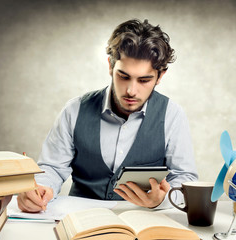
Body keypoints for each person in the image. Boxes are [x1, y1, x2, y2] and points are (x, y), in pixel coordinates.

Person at [17, 19, 198, 212]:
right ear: (110, 65)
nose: (131, 91)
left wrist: (162, 200)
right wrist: (40, 189)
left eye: (144, 80)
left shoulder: (172, 115)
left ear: (160, 76)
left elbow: (185, 178)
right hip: (81, 220)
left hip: (142, 221)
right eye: (124, 76)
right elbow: (52, 168)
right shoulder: (74, 110)